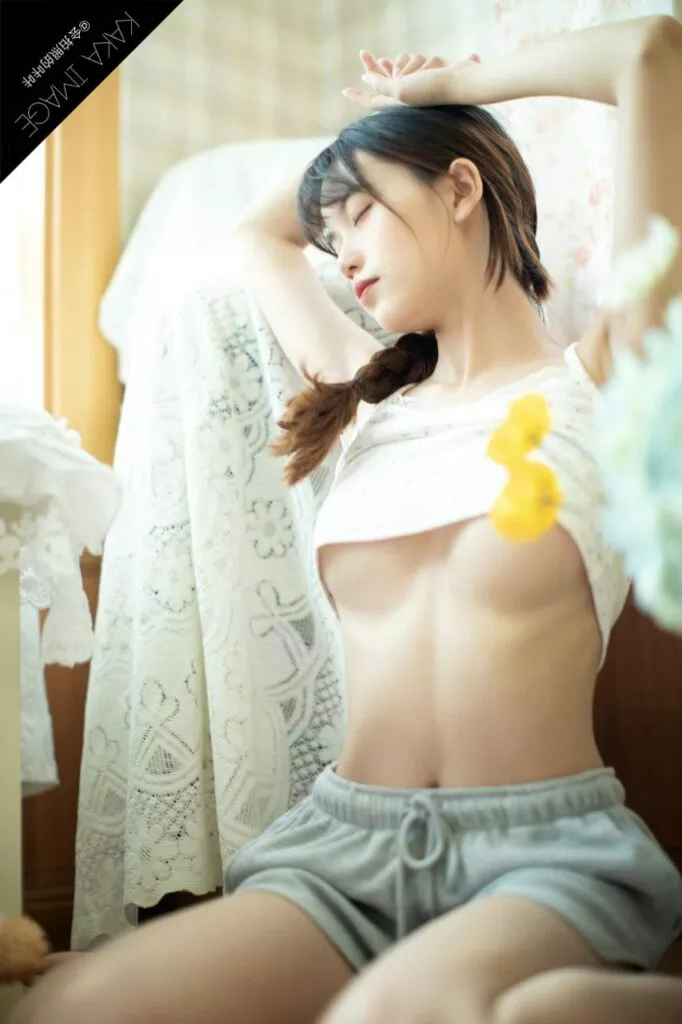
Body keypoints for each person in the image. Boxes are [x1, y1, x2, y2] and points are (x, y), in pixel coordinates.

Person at [13, 15, 682, 1024]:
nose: (344, 254)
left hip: (537, 857)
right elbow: (257, 234)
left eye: (361, 216)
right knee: (74, 1009)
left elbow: (651, 55)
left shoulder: (606, 375)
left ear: (461, 189)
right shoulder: (364, 400)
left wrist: (441, 90)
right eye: (330, 235)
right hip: (340, 853)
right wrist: (354, 158)